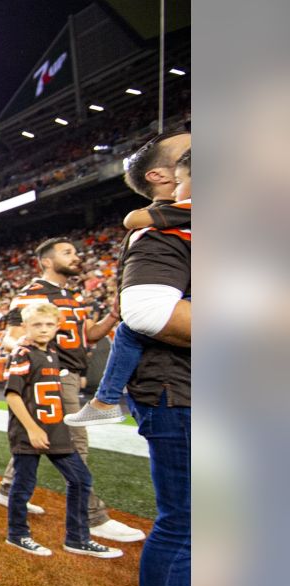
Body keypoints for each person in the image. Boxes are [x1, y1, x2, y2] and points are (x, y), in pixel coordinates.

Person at [0, 238, 143, 544]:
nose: (76, 257)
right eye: (68, 252)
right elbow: (10, 338)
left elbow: (89, 335)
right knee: (75, 442)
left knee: (50, 436)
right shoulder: (31, 294)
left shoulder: (72, 296)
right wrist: (29, 354)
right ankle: (92, 517)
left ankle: (9, 488)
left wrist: (113, 315)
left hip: (71, 373)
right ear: (47, 261)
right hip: (52, 374)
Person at [116, 139, 192, 586]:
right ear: (164, 177)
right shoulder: (158, 229)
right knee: (186, 521)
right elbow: (144, 310)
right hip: (180, 391)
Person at [68, 149, 191, 426]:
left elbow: (133, 219)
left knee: (131, 327)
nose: (179, 187)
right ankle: (104, 400)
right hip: (172, 386)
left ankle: (105, 400)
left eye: (182, 180)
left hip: (174, 390)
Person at [3, 302, 123, 559]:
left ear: (58, 327)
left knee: (80, 478)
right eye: (37, 324)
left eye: (48, 325)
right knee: (24, 484)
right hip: (29, 430)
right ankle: (17, 533)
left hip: (55, 428)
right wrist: (33, 429)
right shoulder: (22, 353)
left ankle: (77, 538)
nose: (43, 329)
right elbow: (13, 396)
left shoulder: (52, 353)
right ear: (25, 327)